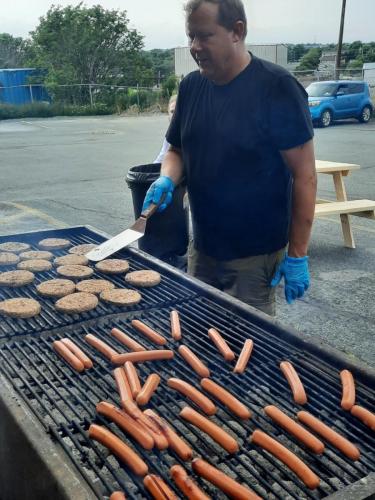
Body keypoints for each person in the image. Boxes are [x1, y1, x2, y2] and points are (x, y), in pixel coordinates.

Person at [143, 0, 317, 315]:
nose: (195, 47)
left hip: (254, 254)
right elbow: (177, 149)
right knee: (197, 336)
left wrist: (297, 254)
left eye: (204, 36)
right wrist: (166, 176)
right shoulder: (191, 87)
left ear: (237, 31)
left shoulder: (276, 87)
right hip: (204, 246)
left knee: (249, 347)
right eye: (190, 36)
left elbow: (305, 175)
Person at [153, 94, 178, 164]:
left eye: (178, 111)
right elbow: (161, 159)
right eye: (172, 112)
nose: (175, 115)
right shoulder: (170, 135)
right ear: (168, 115)